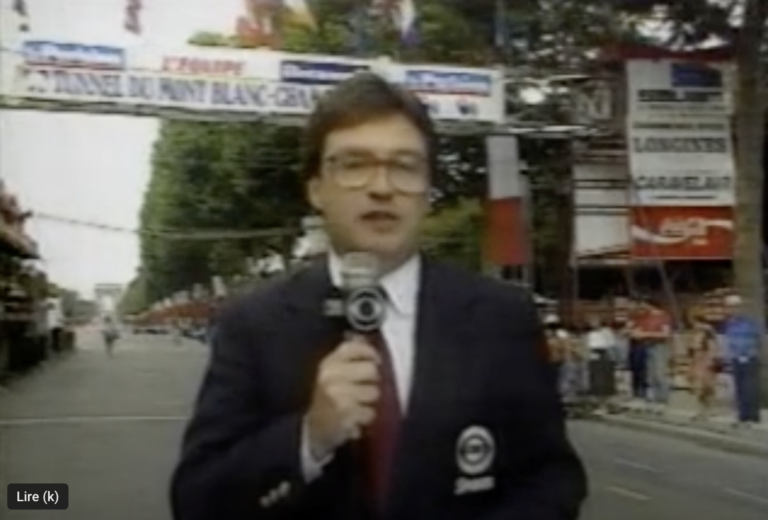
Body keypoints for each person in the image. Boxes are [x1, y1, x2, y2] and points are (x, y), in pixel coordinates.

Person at [169, 73, 587, 520]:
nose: (382, 187)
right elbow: (196, 501)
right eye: (354, 165)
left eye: (405, 166)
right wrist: (309, 438)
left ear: (428, 191)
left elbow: (553, 480)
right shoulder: (252, 324)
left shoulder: (501, 317)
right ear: (316, 188)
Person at [721, 294, 762, 427]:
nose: (732, 310)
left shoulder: (748, 322)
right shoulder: (729, 324)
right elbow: (729, 342)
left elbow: (757, 338)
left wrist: (749, 352)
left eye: (734, 307)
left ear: (740, 307)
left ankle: (751, 417)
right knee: (739, 388)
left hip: (749, 358)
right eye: (729, 307)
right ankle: (742, 416)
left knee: (749, 387)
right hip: (735, 358)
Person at [628, 296, 672, 413]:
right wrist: (635, 333)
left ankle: (662, 400)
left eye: (644, 304)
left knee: (659, 374)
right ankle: (652, 400)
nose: (642, 307)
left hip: (659, 346)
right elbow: (636, 329)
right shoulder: (645, 316)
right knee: (650, 375)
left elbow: (665, 334)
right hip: (647, 346)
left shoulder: (663, 316)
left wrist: (646, 334)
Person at [686, 310, 719, 420]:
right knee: (698, 386)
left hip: (705, 357)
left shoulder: (707, 330)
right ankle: (701, 410)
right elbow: (691, 347)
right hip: (697, 358)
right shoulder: (694, 331)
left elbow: (712, 345)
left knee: (706, 386)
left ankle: (708, 410)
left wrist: (711, 359)